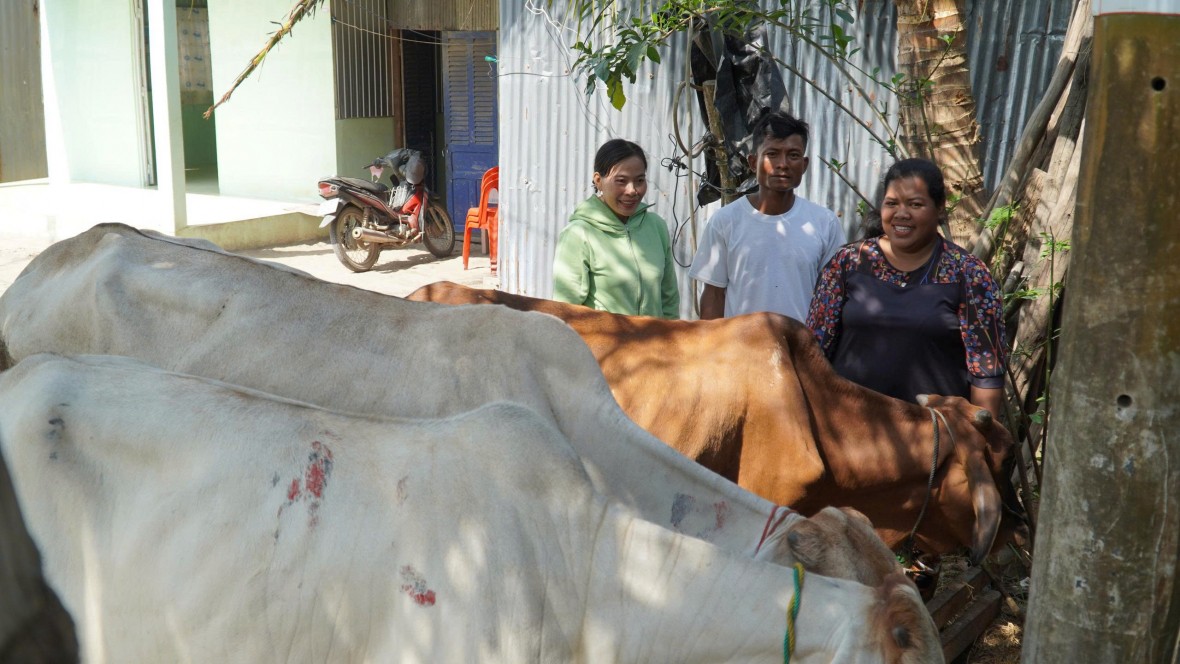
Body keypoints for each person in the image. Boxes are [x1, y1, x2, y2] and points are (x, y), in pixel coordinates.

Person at [806, 158, 1007, 415]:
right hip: (850, 426)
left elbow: (987, 372)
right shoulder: (848, 263)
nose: (901, 213)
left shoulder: (969, 274)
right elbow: (814, 350)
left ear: (940, 208)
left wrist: (982, 433)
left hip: (933, 431)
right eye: (892, 203)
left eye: (915, 204)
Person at [689, 111, 845, 321]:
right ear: (753, 162)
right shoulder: (725, 222)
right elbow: (714, 295)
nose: (783, 164)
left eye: (793, 155)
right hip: (741, 342)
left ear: (804, 164)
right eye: (772, 154)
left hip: (801, 341)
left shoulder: (825, 223)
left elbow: (833, 296)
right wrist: (711, 341)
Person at [553, 139, 680, 319]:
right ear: (598, 181)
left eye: (640, 180)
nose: (632, 190)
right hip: (603, 338)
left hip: (654, 338)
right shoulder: (578, 234)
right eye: (621, 181)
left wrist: (672, 335)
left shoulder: (656, 227)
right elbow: (566, 311)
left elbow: (669, 300)